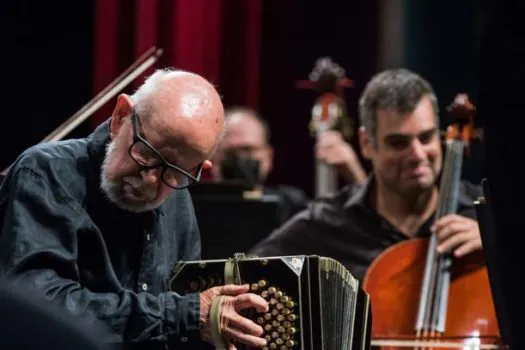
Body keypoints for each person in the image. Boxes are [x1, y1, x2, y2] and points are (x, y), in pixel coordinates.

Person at [0, 69, 269, 350]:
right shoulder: (46, 172)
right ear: (120, 116)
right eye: (147, 154)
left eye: (175, 172)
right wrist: (183, 314)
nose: (151, 180)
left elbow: (178, 321)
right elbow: (40, 305)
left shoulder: (178, 197)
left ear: (199, 169)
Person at [249, 68, 483, 281]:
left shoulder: (484, 214)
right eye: (398, 143)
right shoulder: (328, 222)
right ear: (366, 144)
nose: (418, 154)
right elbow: (247, 272)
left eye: (426, 138)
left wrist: (501, 246)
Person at [210, 106, 309, 222]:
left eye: (248, 150)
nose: (240, 158)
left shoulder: (291, 205)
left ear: (268, 157)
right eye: (230, 152)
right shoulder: (193, 206)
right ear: (212, 157)